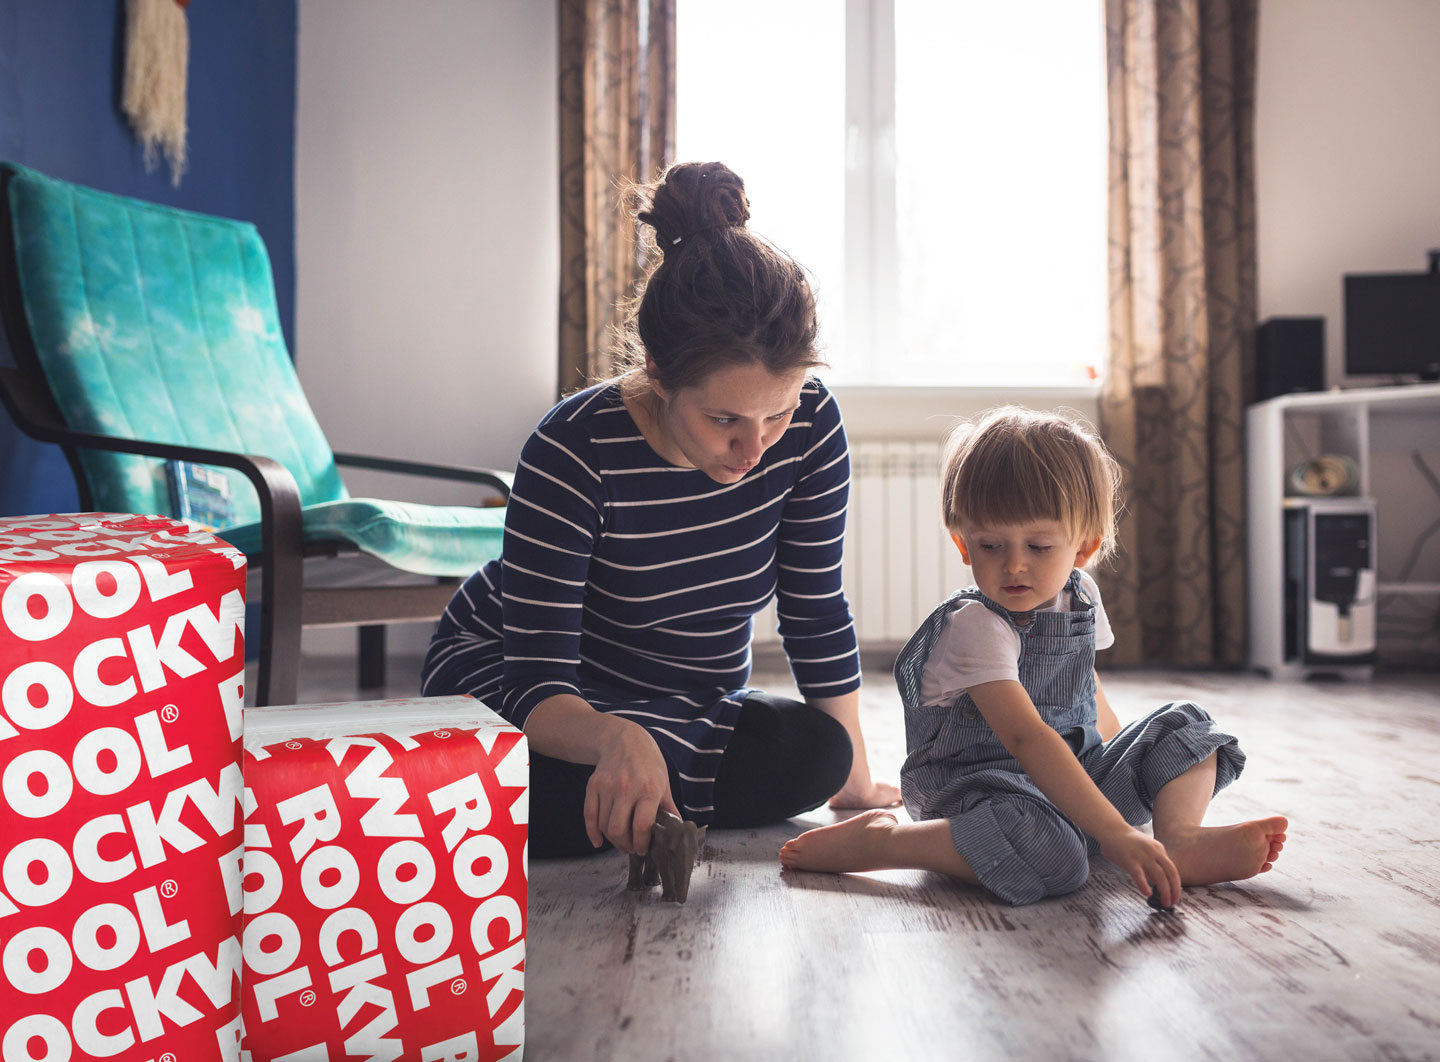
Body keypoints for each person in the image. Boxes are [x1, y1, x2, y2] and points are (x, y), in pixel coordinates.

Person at [423, 161, 898, 859]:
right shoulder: (572, 449)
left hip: (680, 704)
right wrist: (617, 736)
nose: (754, 448)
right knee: (536, 788)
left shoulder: (813, 425)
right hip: (526, 688)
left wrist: (852, 771)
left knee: (817, 754)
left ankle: (629, 789)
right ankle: (620, 781)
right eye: (723, 419)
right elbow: (538, 679)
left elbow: (814, 605)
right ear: (655, 372)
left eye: (778, 413)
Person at [779, 406, 1287, 907]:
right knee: (1061, 860)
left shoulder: (1081, 594)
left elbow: (1086, 689)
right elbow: (1026, 737)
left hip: (1070, 773)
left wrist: (1124, 773)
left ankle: (1179, 839)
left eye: (1039, 546)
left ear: (1082, 548)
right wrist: (1112, 830)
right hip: (983, 795)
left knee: (1185, 725)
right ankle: (885, 844)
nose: (1014, 565)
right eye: (991, 544)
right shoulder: (976, 625)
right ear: (963, 544)